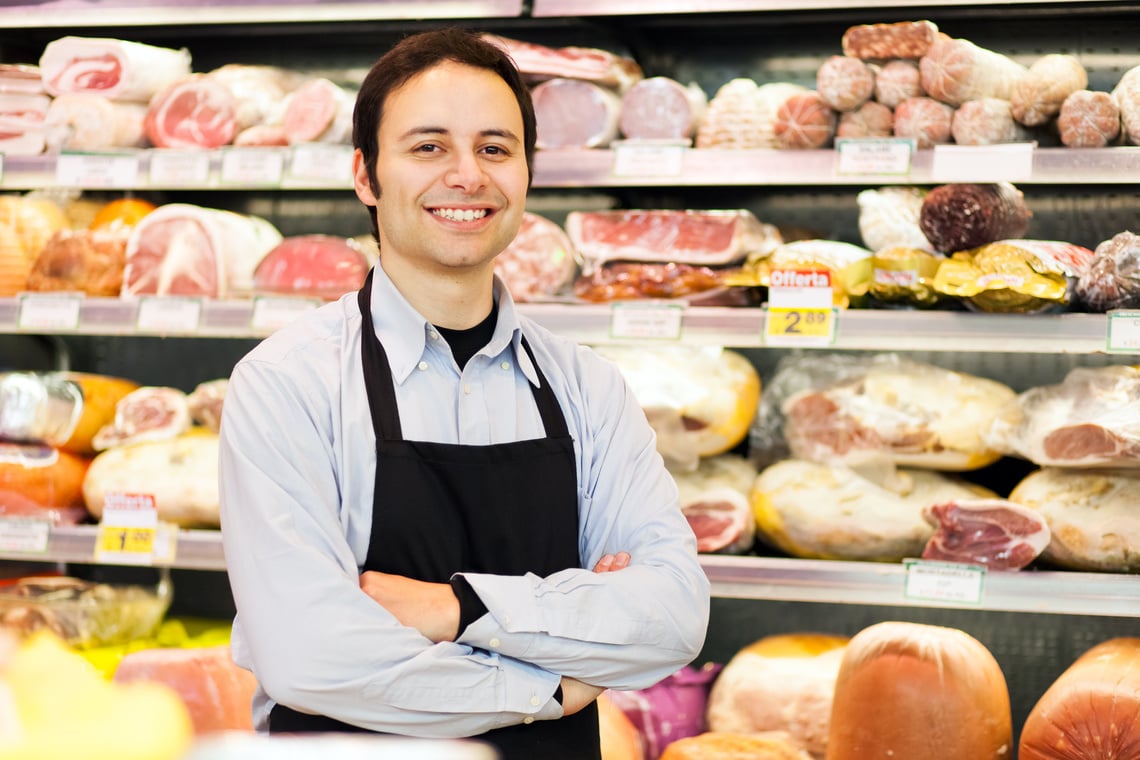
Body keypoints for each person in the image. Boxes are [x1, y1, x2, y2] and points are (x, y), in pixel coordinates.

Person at [218, 26, 710, 759]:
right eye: (427, 148)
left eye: (494, 148)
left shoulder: (588, 388)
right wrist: (550, 682)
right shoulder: (288, 383)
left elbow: (671, 619)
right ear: (365, 175)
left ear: (526, 173)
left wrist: (452, 608)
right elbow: (311, 654)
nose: (467, 176)